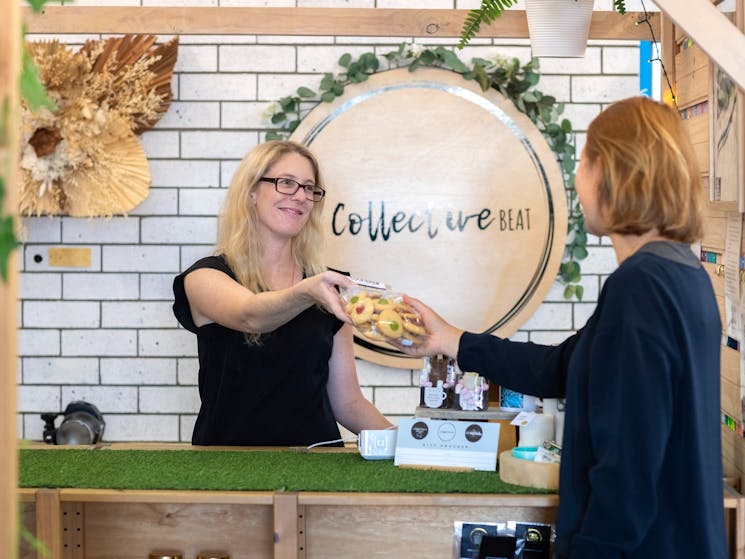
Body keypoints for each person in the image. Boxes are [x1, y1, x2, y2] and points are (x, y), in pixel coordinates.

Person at [398, 96, 726, 559]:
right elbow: (561, 367)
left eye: (584, 162)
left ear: (614, 171)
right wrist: (450, 340)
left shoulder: (640, 288)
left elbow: (627, 469)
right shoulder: (682, 275)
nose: (576, 180)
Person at [173, 140, 392, 446]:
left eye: (309, 188)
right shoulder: (205, 277)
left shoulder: (329, 285)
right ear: (251, 192)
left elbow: (349, 403)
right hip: (227, 467)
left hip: (317, 464)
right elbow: (250, 315)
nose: (301, 196)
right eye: (286, 183)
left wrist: (412, 445)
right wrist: (309, 291)